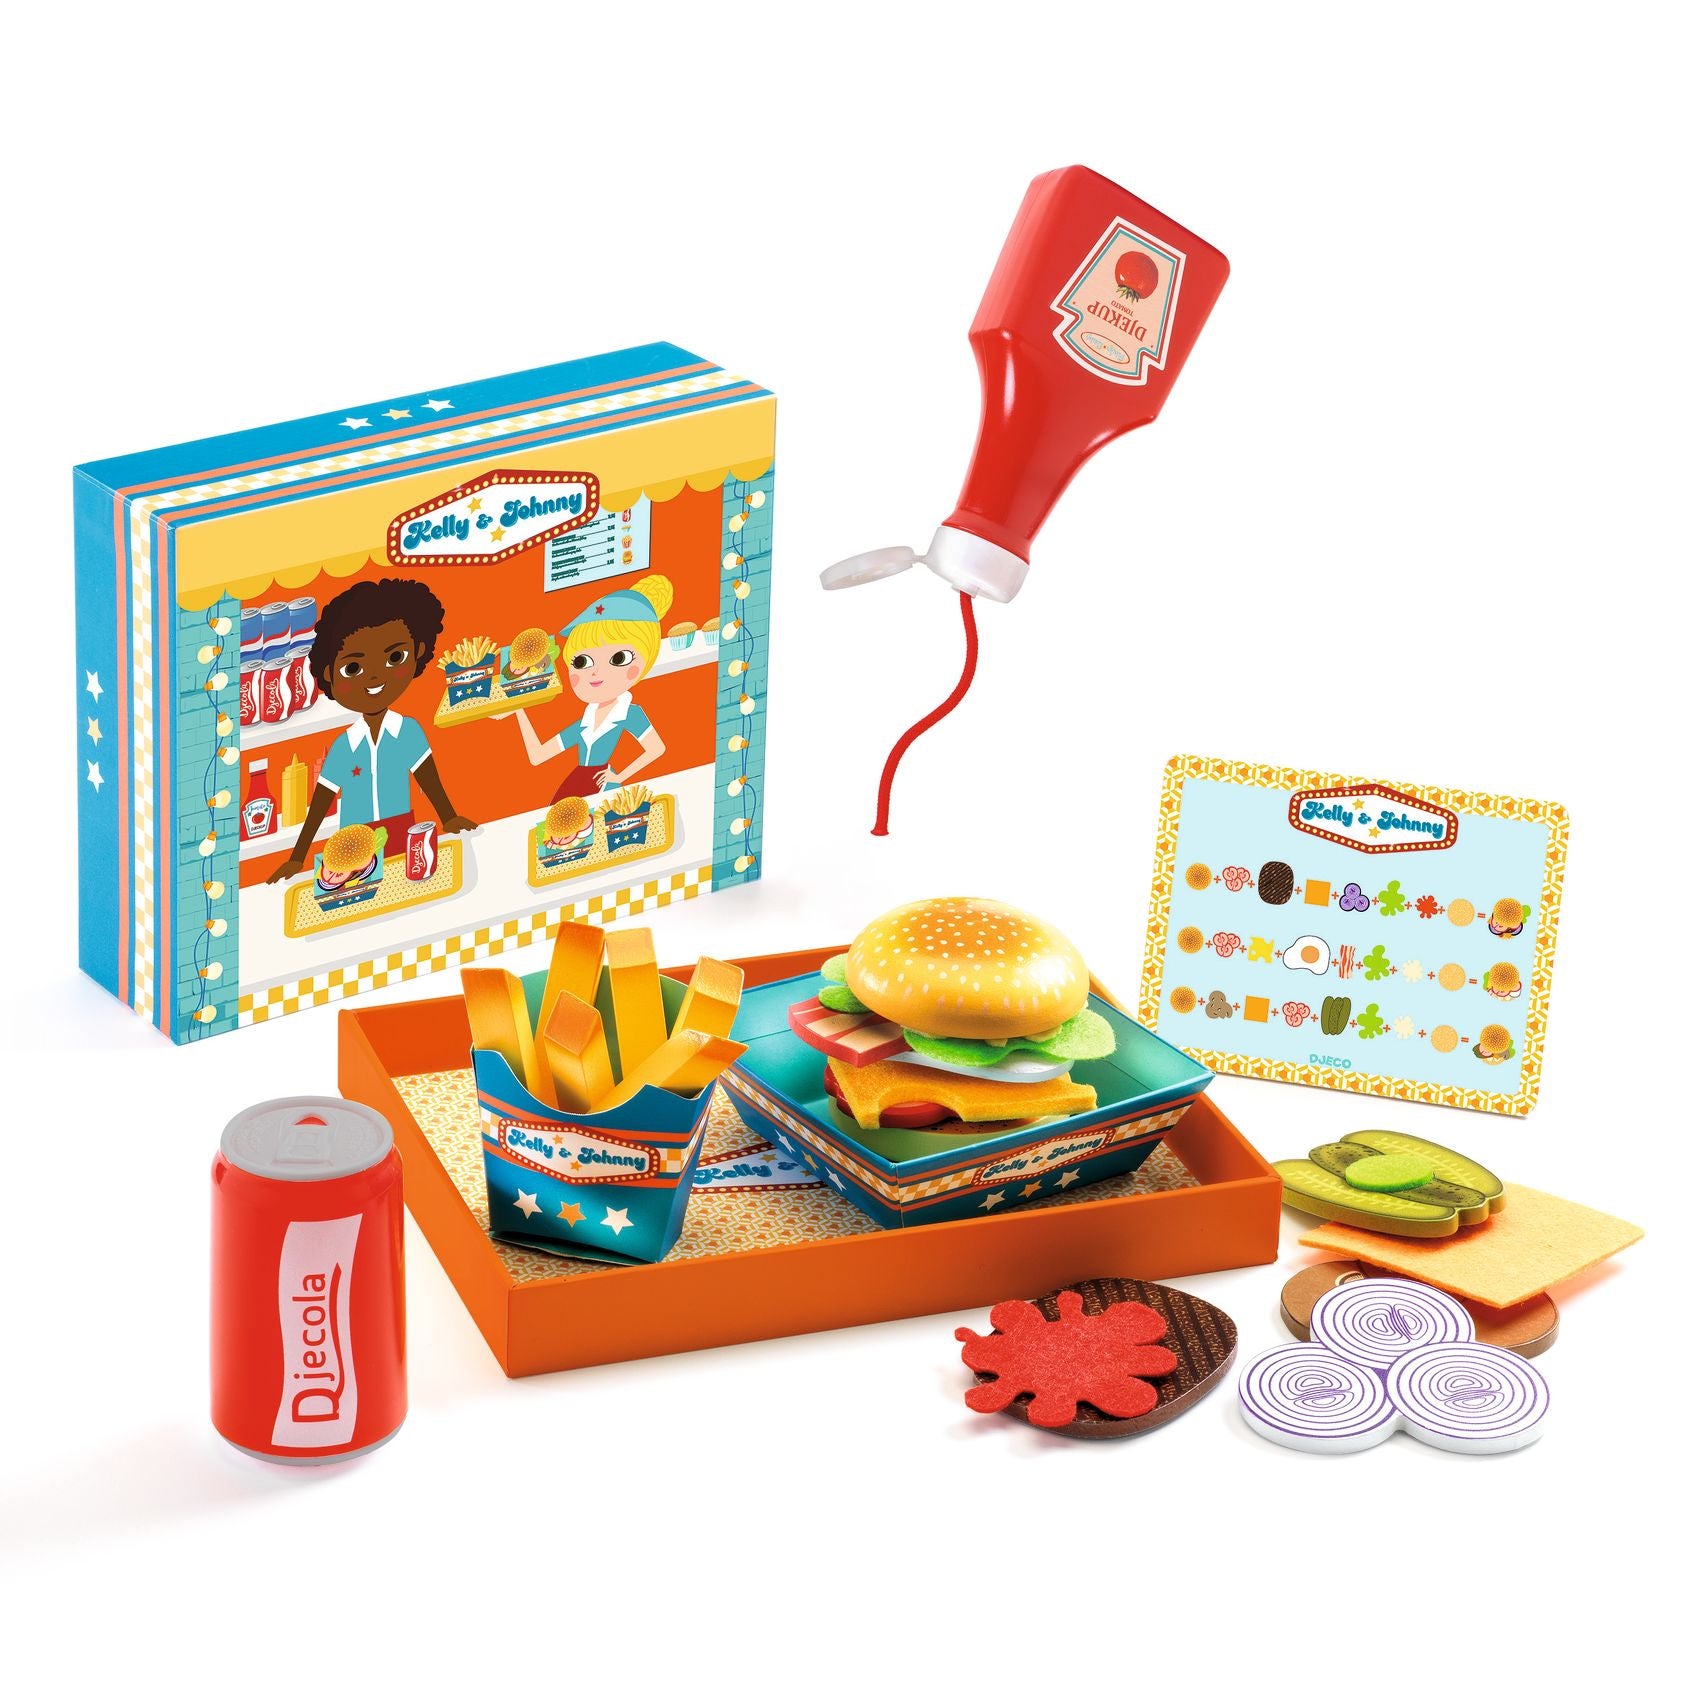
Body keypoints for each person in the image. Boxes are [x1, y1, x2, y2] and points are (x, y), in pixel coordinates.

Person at [267, 577, 476, 883]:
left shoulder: (408, 731)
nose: (376, 677)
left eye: (395, 657)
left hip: (403, 835)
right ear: (329, 674)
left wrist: (449, 817)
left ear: (417, 651)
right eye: (353, 668)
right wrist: (297, 858)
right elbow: (320, 804)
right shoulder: (343, 746)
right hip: (350, 846)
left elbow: (428, 779)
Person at [509, 575, 671, 799]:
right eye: (582, 662)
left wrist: (620, 776)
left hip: (603, 787)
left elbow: (656, 748)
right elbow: (538, 756)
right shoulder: (584, 723)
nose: (595, 672)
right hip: (576, 785)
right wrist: (518, 708)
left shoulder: (630, 713)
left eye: (618, 658)